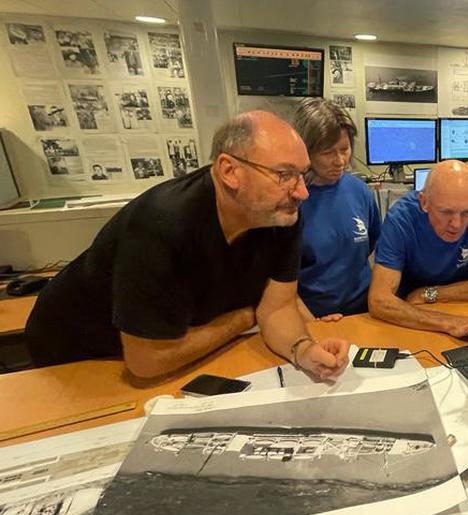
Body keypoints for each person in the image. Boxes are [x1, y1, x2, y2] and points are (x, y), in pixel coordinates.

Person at [26, 111, 349, 380]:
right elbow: (147, 361)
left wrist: (303, 350)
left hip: (171, 344)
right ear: (229, 171)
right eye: (284, 175)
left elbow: (277, 308)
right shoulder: (162, 223)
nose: (301, 192)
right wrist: (243, 319)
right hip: (79, 351)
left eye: (302, 175)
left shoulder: (282, 214)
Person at [369, 160, 468, 343]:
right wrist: (450, 323)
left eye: (466, 213)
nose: (456, 224)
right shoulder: (400, 218)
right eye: (446, 212)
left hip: (462, 307)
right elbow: (379, 301)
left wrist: (429, 293)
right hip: (416, 316)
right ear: (424, 202)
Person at [291, 98, 380, 320]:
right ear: (306, 152)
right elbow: (279, 288)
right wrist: (314, 326)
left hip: (363, 314)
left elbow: (370, 247)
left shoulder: (360, 191)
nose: (340, 161)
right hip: (313, 318)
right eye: (328, 152)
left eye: (344, 149)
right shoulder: (291, 201)